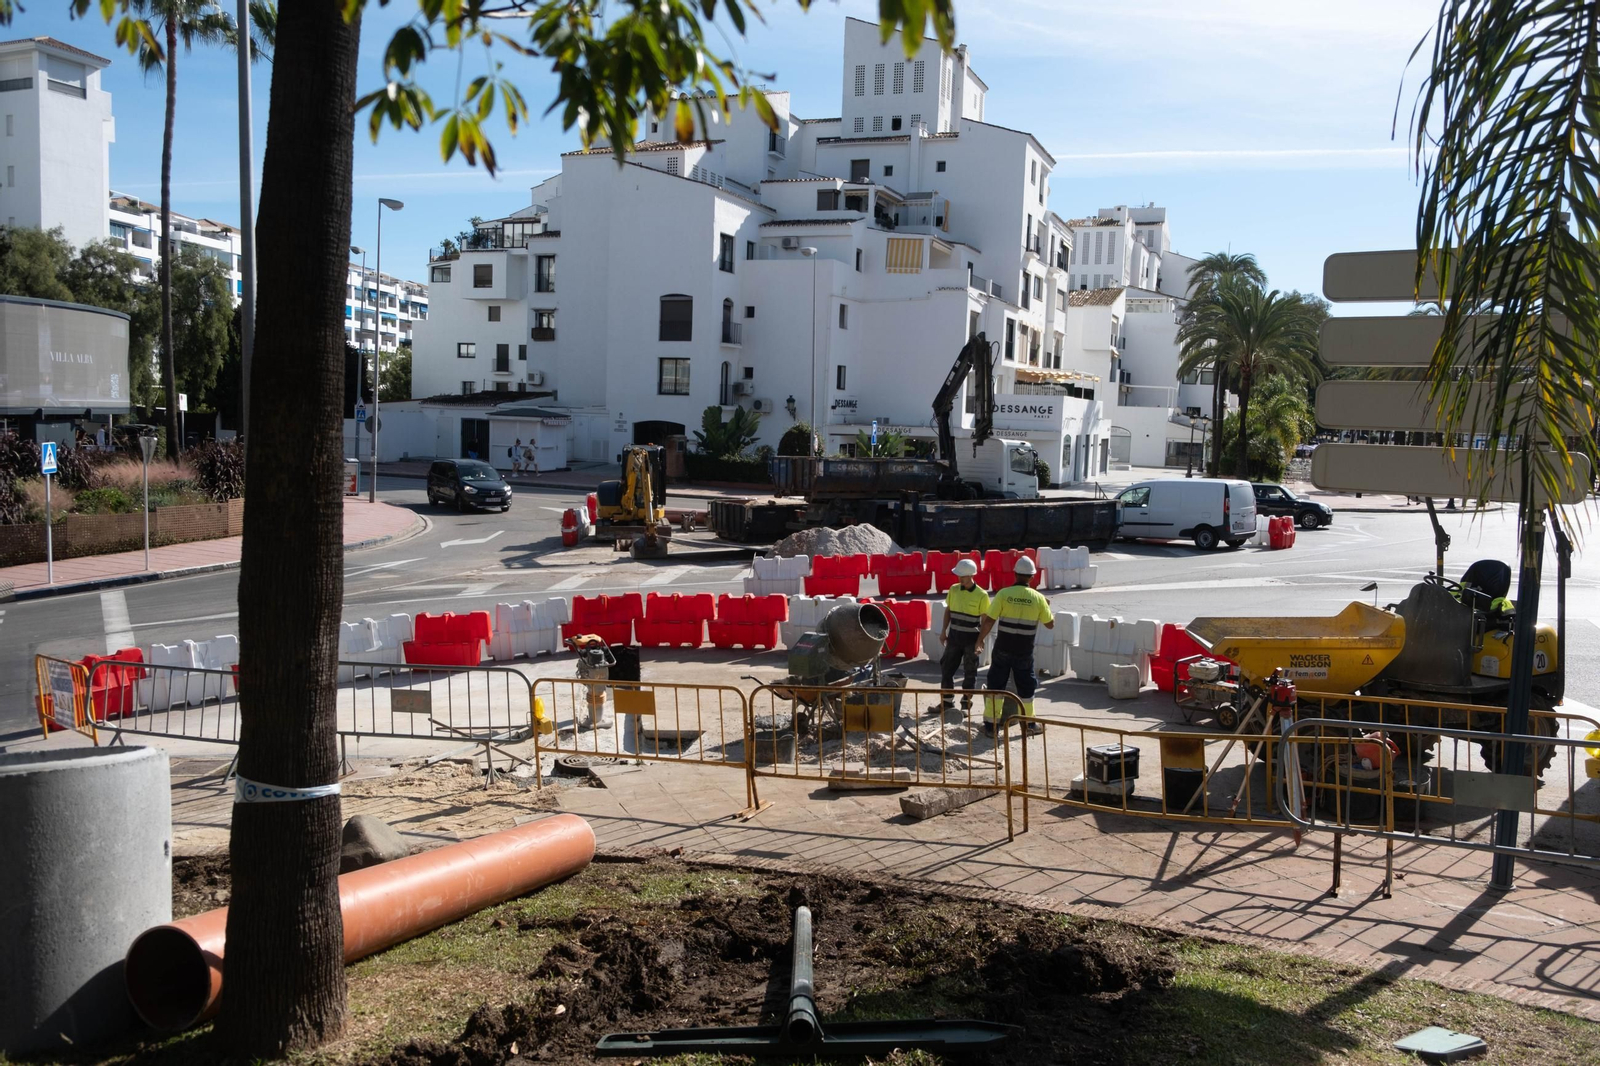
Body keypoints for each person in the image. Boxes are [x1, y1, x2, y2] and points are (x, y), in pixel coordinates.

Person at [977, 556, 1054, 738]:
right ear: (1032, 577)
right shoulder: (1038, 598)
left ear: (1015, 574)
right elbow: (1050, 624)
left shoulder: (1004, 594)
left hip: (1003, 648)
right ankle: (1029, 725)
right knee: (1026, 688)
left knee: (996, 686)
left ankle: (991, 727)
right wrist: (1047, 607)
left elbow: (989, 621)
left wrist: (979, 640)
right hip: (1023, 651)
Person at [938, 558, 989, 713]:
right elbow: (948, 612)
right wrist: (943, 632)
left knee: (970, 672)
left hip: (971, 640)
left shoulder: (981, 595)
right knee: (947, 667)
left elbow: (985, 620)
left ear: (970, 576)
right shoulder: (953, 590)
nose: (959, 578)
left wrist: (980, 641)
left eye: (962, 576)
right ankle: (946, 703)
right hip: (954, 637)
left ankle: (966, 705)